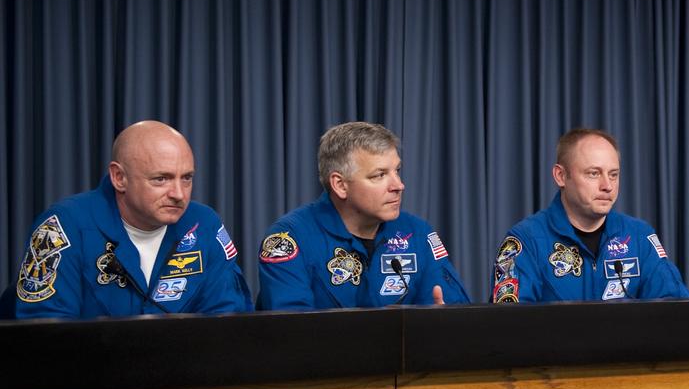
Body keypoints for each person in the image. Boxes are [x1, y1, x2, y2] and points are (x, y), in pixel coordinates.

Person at [14, 120, 253, 319]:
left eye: (187, 178)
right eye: (161, 179)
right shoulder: (64, 226)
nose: (179, 194)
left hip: (184, 373)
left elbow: (227, 321)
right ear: (119, 177)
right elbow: (44, 332)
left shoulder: (204, 224)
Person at [256, 121, 470, 309]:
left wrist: (444, 322)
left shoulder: (417, 233)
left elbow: (449, 310)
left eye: (397, 171)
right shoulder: (288, 238)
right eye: (380, 175)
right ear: (340, 185)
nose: (399, 185)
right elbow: (289, 334)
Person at [491, 128, 689, 303]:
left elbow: (674, 310)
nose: (607, 186)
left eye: (613, 174)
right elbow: (509, 326)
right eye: (593, 174)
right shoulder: (525, 242)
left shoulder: (639, 236)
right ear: (561, 176)